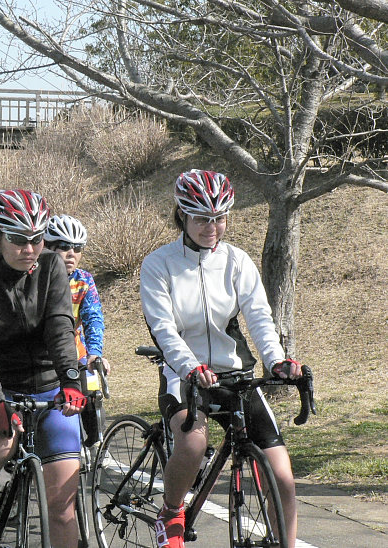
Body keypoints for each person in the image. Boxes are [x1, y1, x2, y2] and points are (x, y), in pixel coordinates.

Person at [139, 169, 303, 548]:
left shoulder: (236, 261)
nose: (211, 227)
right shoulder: (159, 264)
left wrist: (275, 360)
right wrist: (190, 367)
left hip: (235, 374)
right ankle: (171, 511)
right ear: (181, 214)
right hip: (185, 373)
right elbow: (163, 329)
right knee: (194, 443)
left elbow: (260, 317)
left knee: (282, 477)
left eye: (218, 218)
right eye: (200, 218)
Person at [0, 189, 87, 548]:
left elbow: (61, 326)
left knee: (62, 508)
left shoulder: (52, 266)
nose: (30, 248)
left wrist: (71, 380)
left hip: (48, 384)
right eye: (18, 239)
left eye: (37, 239)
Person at [44, 214, 111, 446]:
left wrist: (95, 351)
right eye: (63, 246)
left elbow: (93, 317)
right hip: (39, 355)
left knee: (92, 397)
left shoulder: (84, 280)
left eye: (77, 247)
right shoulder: (35, 277)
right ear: (46, 246)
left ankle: (90, 446)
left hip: (75, 352)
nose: (71, 253)